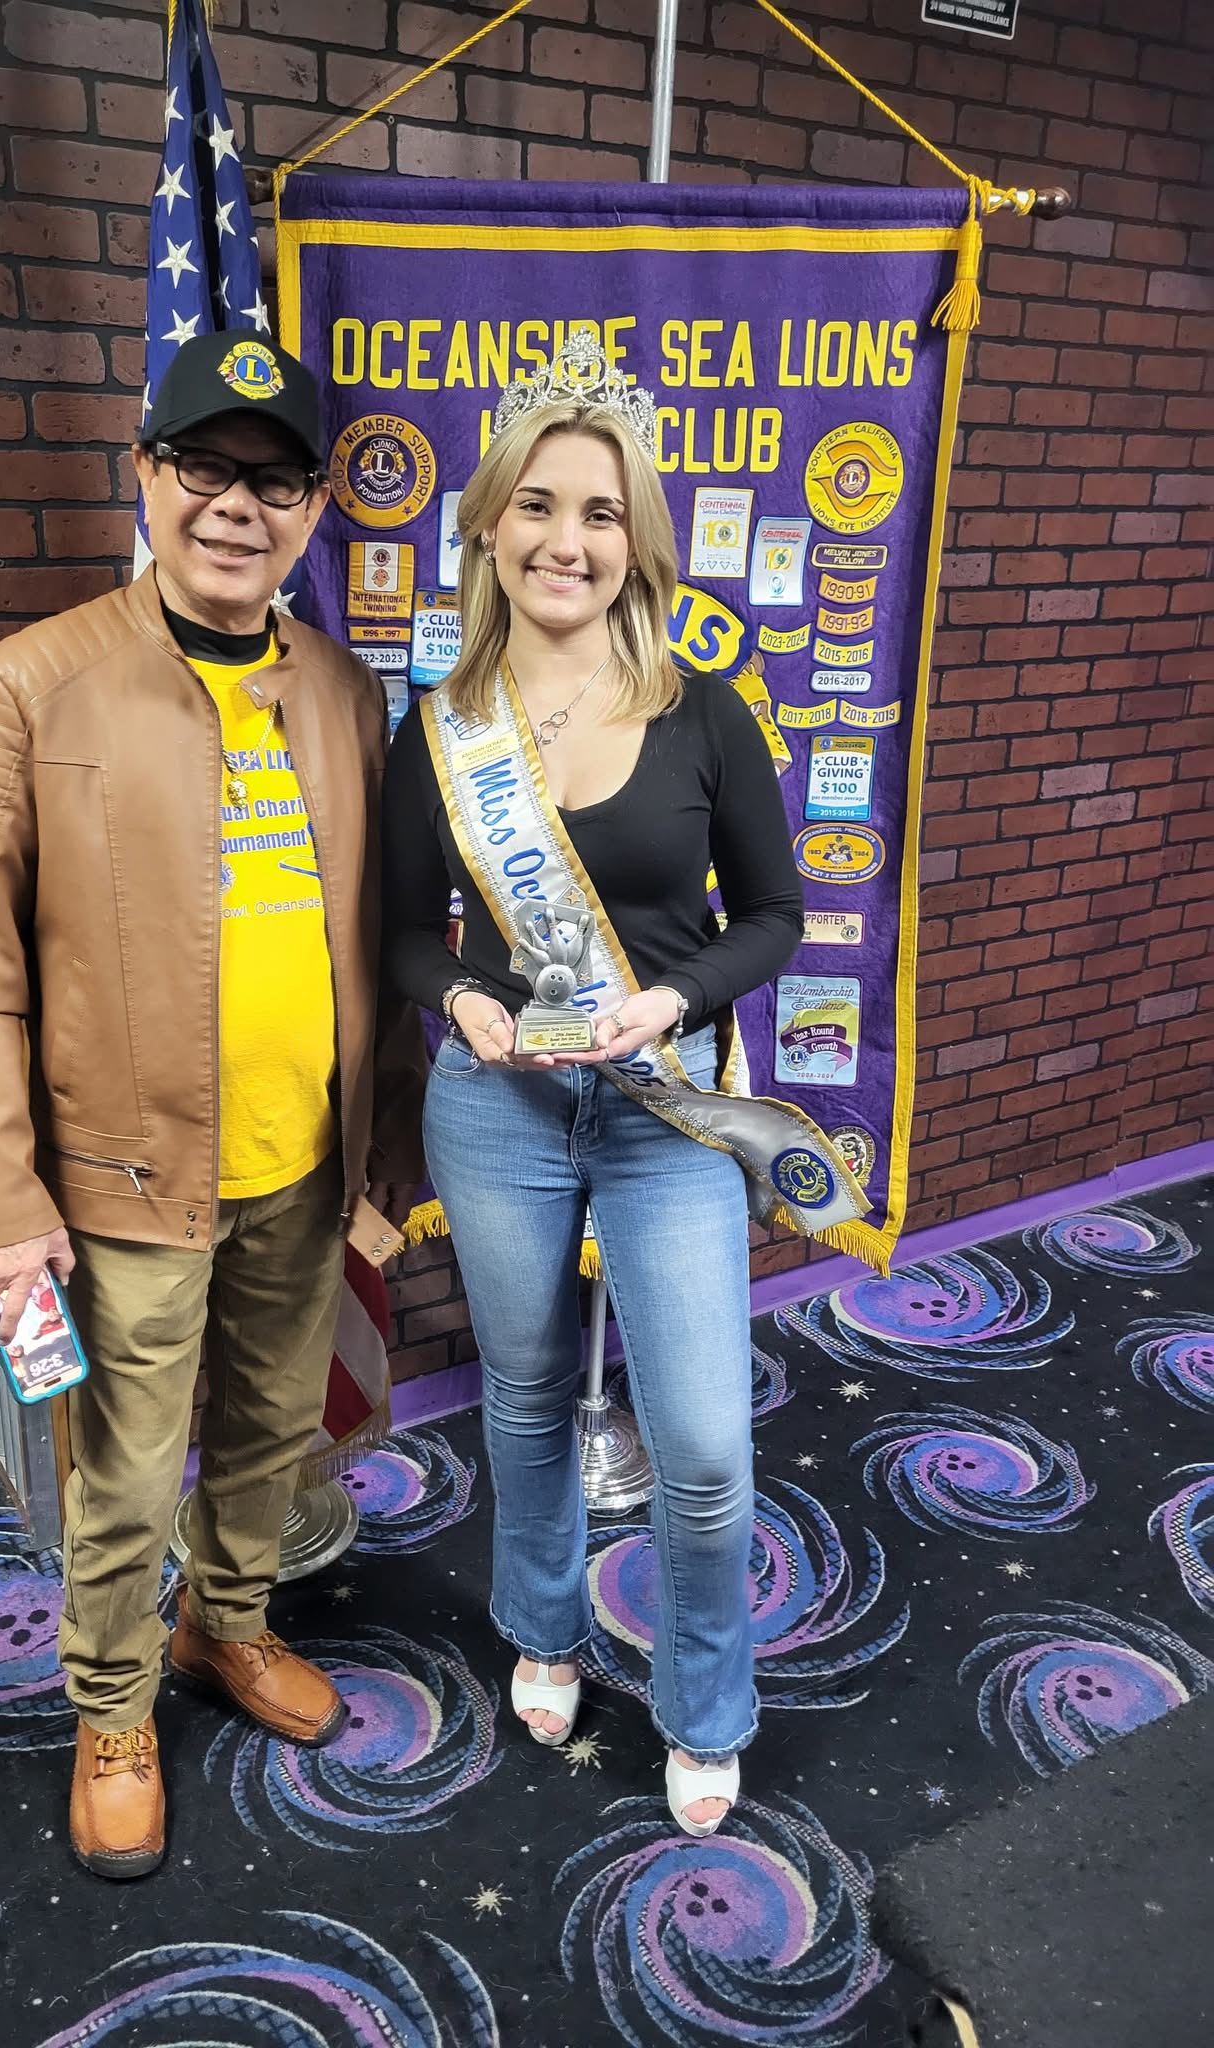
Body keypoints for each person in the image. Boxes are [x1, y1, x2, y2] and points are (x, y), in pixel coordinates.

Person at [0, 333, 423, 1880]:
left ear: (313, 510)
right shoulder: (34, 682)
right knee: (127, 1472)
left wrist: (387, 1152)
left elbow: (376, 938)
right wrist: (3, 1189)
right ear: (146, 474)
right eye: (205, 465)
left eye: (275, 480)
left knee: (270, 1433)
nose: (235, 505)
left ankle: (228, 1626)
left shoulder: (344, 691)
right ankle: (112, 1711)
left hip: (304, 1165)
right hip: (126, 1179)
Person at [380, 335, 808, 1838]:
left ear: (639, 543)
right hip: (498, 1111)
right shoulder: (441, 726)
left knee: (701, 1442)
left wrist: (672, 998)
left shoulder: (702, 710)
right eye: (540, 505)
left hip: (665, 1111)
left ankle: (706, 1705)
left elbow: (776, 916)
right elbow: (401, 932)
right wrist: (461, 1003)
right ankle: (544, 1627)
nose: (568, 540)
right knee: (526, 1393)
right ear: (492, 524)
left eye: (602, 513)